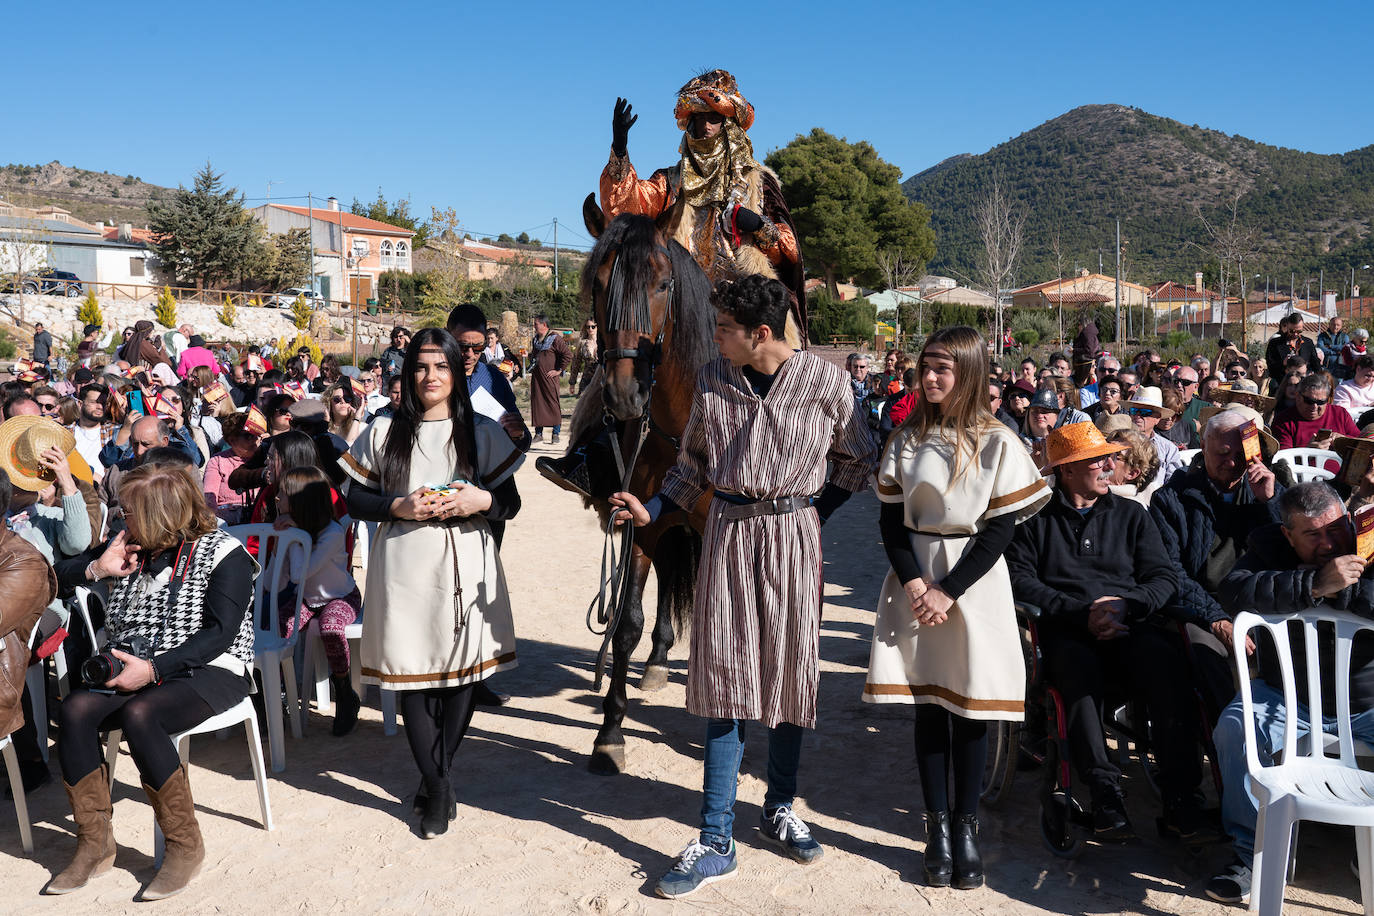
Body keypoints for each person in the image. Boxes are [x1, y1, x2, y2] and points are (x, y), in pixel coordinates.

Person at [607, 275, 877, 899]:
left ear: (761, 334)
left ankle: (779, 807)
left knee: (787, 677)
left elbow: (860, 456)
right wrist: (651, 507)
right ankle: (716, 837)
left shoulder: (827, 382)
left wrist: (812, 511)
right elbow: (691, 467)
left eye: (724, 329)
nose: (715, 338)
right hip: (726, 534)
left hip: (793, 539)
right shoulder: (709, 379)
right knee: (725, 679)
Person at [863, 326, 1049, 889]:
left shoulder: (997, 441)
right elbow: (891, 523)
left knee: (970, 711)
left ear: (968, 372)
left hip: (974, 582)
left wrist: (949, 589)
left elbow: (999, 531)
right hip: (915, 581)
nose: (931, 377)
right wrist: (918, 585)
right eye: (926, 367)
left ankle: (966, 828)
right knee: (929, 710)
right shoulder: (905, 439)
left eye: (943, 368)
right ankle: (936, 828)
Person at [340, 328, 523, 838]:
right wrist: (397, 505)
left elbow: (510, 503)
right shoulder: (382, 430)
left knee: (461, 676)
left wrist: (480, 502)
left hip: (467, 559)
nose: (430, 377)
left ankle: (435, 778)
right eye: (421, 367)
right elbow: (355, 500)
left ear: (456, 371)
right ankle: (438, 785)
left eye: (440, 366)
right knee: (414, 676)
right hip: (404, 563)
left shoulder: (480, 430)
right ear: (407, 372)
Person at [47, 464, 255, 899]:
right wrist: (97, 570)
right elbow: (54, 579)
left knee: (143, 715)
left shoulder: (224, 552)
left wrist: (156, 670)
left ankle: (184, 845)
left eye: (132, 512)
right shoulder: (130, 546)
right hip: (133, 664)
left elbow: (220, 635)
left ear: (163, 513)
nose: (124, 521)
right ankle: (95, 844)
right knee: (74, 709)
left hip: (210, 668)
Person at [1007, 422, 1203, 839]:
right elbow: (1021, 581)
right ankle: (1104, 791)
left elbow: (1162, 577)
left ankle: (1182, 798)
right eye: (1098, 459)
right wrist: (1082, 613)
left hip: (1129, 623)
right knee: (1076, 672)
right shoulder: (1035, 519)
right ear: (1067, 470)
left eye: (1109, 456)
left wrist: (1125, 605)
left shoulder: (1132, 515)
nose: (1110, 464)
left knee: (1171, 666)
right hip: (1068, 629)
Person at [1206, 481, 1374, 906]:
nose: (1329, 542)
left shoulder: (1369, 539)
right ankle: (1251, 855)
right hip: (1289, 696)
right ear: (1288, 534)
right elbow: (1234, 591)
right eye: (1312, 535)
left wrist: (1344, 588)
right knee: (1234, 727)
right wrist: (1315, 585)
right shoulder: (1268, 546)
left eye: (1335, 530)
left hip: (1366, 703)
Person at [599, 69, 805, 339]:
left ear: (727, 126)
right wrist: (620, 148)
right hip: (684, 307)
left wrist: (760, 227)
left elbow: (788, 255)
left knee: (773, 366)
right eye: (699, 120)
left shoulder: (757, 181)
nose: (706, 127)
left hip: (746, 308)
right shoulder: (671, 181)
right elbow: (625, 206)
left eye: (714, 119)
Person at [275, 466, 363, 736]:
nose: (276, 498)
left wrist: (295, 538)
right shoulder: (290, 530)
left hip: (340, 597)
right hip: (306, 600)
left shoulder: (332, 533)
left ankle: (345, 691)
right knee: (275, 626)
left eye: (283, 493)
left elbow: (301, 574)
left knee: (331, 628)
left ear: (302, 501)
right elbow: (278, 581)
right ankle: (277, 695)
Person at [1272, 373, 1359, 452]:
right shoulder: (1283, 421)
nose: (1314, 407)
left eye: (1321, 402)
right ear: (1297, 396)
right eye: (1309, 401)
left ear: (1328, 399)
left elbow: (1362, 443)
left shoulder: (1340, 414)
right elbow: (1283, 461)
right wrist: (1308, 453)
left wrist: (1343, 440)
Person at [1123, 385, 1184, 483]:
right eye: (1134, 411)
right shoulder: (1119, 442)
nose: (1137, 416)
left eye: (1145, 412)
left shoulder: (1169, 449)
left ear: (1158, 418)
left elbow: (1174, 483)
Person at [528, 314, 569, 444]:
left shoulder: (555, 338)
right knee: (537, 404)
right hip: (537, 378)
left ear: (544, 325)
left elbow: (567, 355)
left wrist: (558, 370)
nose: (534, 327)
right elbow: (534, 355)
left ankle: (555, 433)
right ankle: (538, 434)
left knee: (553, 404)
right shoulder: (535, 339)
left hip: (549, 379)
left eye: (536, 324)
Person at [1264, 313, 1321, 394]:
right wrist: (1283, 363)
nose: (1295, 334)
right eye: (1292, 331)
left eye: (1299, 331)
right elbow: (1270, 367)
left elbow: (1316, 364)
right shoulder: (1275, 343)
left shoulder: (1308, 343)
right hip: (1282, 384)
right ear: (1287, 326)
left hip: (1304, 385)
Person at [1104, 427, 1161, 506]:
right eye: (1103, 451)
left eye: (1112, 455)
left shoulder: (1130, 511)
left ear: (1131, 473)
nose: (1101, 459)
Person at [569, 318, 599, 396]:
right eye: (588, 326)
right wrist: (572, 383)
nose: (590, 329)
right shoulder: (582, 343)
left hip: (601, 379)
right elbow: (576, 364)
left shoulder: (604, 342)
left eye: (593, 326)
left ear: (597, 327)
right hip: (586, 380)